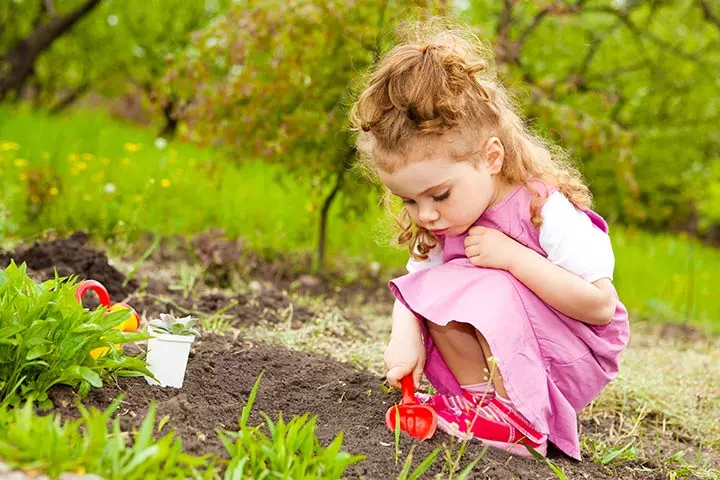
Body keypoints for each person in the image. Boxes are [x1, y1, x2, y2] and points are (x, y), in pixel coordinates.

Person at [349, 25, 630, 460]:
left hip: (572, 350)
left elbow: (600, 307)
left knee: (479, 280)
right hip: (511, 349)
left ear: (491, 158)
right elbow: (417, 288)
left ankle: (522, 423)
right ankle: (485, 407)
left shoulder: (544, 209)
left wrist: (513, 258)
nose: (425, 214)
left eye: (439, 194)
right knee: (442, 285)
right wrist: (403, 336)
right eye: (408, 199)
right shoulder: (440, 221)